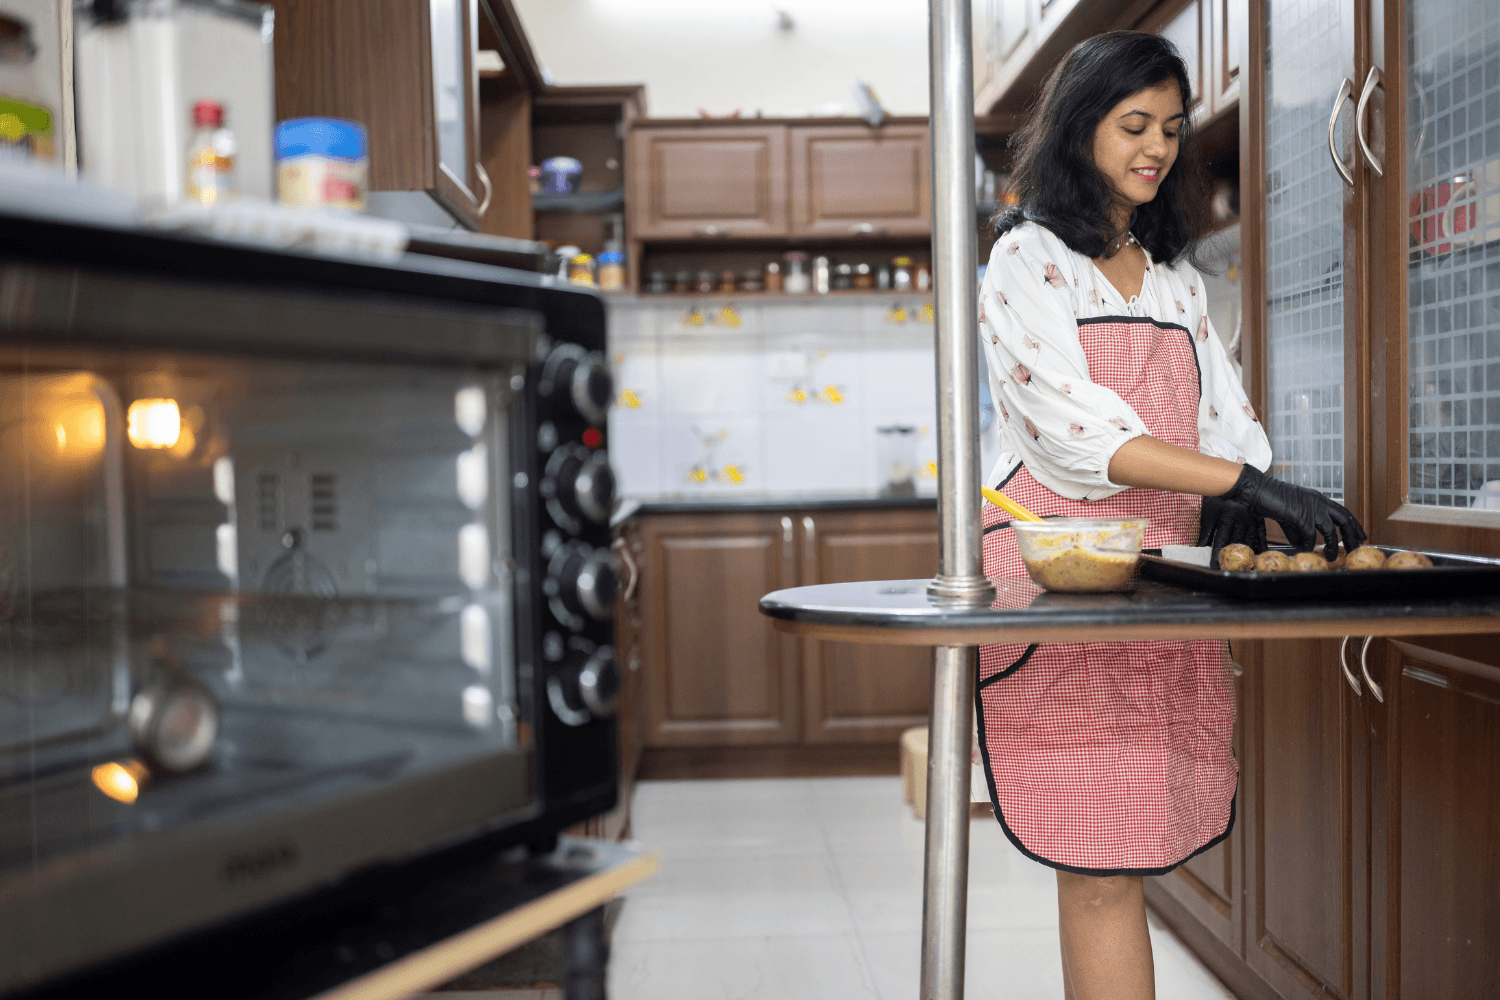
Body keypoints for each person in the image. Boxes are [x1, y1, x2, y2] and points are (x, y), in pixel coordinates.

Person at [974, 31, 1365, 1000]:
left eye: (1171, 128)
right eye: (1132, 124)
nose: (1155, 147)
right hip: (1062, 582)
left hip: (1165, 586)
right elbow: (1078, 436)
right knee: (1099, 861)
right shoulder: (1026, 261)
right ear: (1080, 130)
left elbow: (1224, 416)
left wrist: (1250, 490)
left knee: (1134, 851)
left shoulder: (1175, 282)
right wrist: (1247, 479)